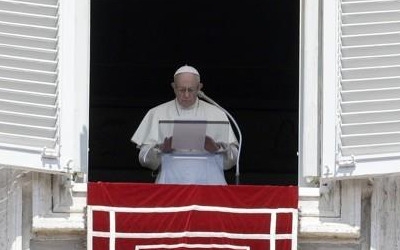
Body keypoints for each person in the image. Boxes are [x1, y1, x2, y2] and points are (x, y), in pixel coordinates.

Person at [131, 65, 238, 184]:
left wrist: (217, 149)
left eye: (191, 90)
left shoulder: (217, 113)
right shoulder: (156, 113)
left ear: (199, 87)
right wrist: (160, 149)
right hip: (170, 183)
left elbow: (233, 160)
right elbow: (143, 159)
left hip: (210, 184)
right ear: (174, 87)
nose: (186, 95)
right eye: (182, 90)